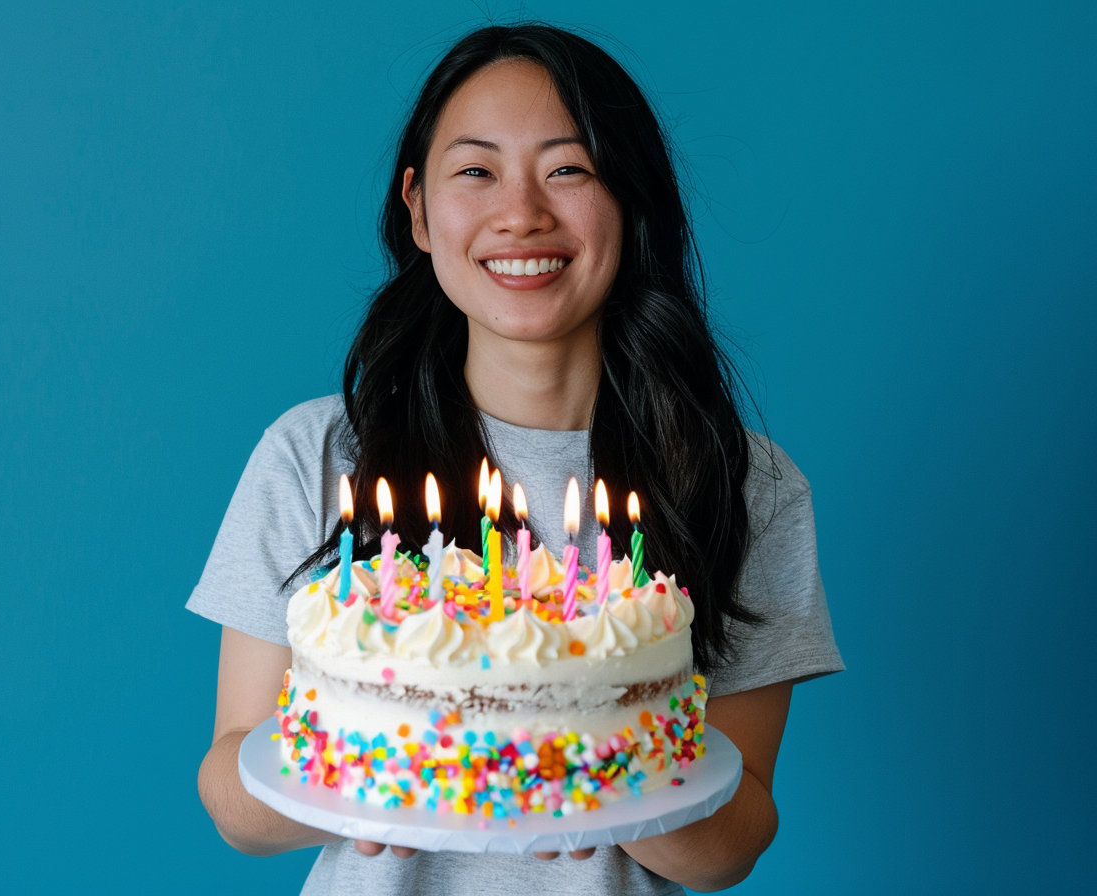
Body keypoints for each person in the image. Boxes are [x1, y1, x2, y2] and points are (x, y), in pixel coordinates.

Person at [189, 23, 842, 895]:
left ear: (633, 198)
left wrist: (595, 781)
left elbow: (735, 842)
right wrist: (403, 765)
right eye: (476, 170)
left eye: (568, 168)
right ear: (417, 208)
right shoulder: (318, 454)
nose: (522, 213)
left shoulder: (742, 482)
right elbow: (235, 799)